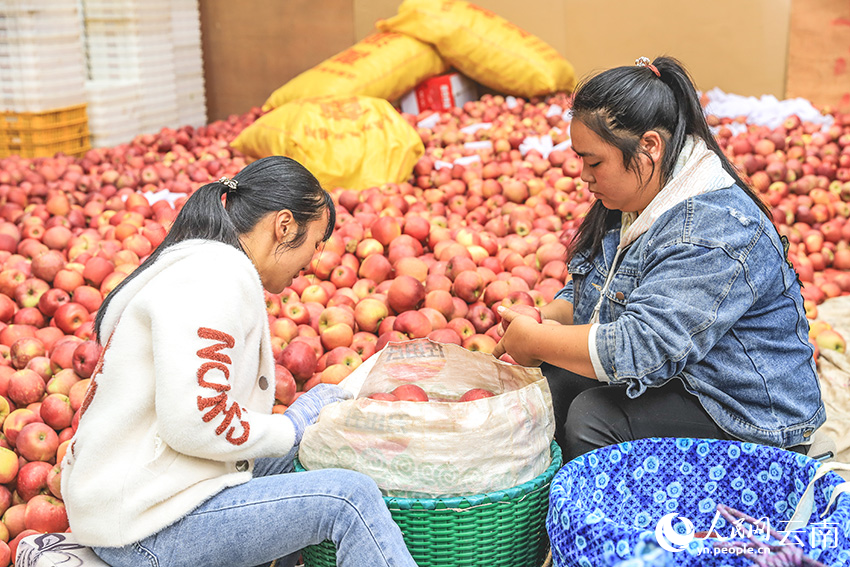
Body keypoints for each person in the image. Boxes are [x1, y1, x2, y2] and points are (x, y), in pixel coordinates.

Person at [61, 156, 418, 567]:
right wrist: (291, 425)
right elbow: (196, 422)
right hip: (143, 528)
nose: (313, 260)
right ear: (284, 225)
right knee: (349, 499)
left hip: (156, 494)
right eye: (315, 242)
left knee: (316, 447)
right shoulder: (213, 280)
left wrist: (304, 424)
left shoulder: (200, 264)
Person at [492, 56, 826, 462]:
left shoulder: (713, 230)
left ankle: (620, 523)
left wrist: (537, 339)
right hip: (686, 382)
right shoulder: (637, 196)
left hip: (747, 416)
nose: (583, 175)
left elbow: (644, 348)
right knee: (556, 380)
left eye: (594, 161)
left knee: (593, 419)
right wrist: (553, 318)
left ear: (649, 146)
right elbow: (599, 284)